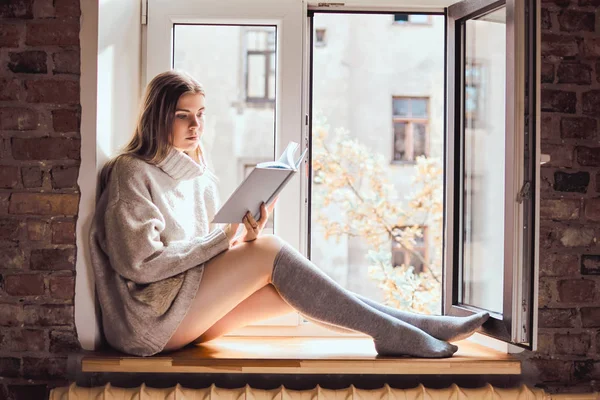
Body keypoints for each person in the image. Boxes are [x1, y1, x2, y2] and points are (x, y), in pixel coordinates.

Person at [89, 70, 489, 358]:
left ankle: (412, 325)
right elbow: (138, 263)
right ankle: (397, 331)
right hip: (147, 321)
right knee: (269, 250)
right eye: (183, 114)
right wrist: (227, 238)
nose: (197, 125)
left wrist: (244, 235)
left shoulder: (201, 178)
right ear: (158, 116)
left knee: (287, 292)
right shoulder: (131, 172)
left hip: (183, 312)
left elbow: (204, 258)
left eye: (201, 113)